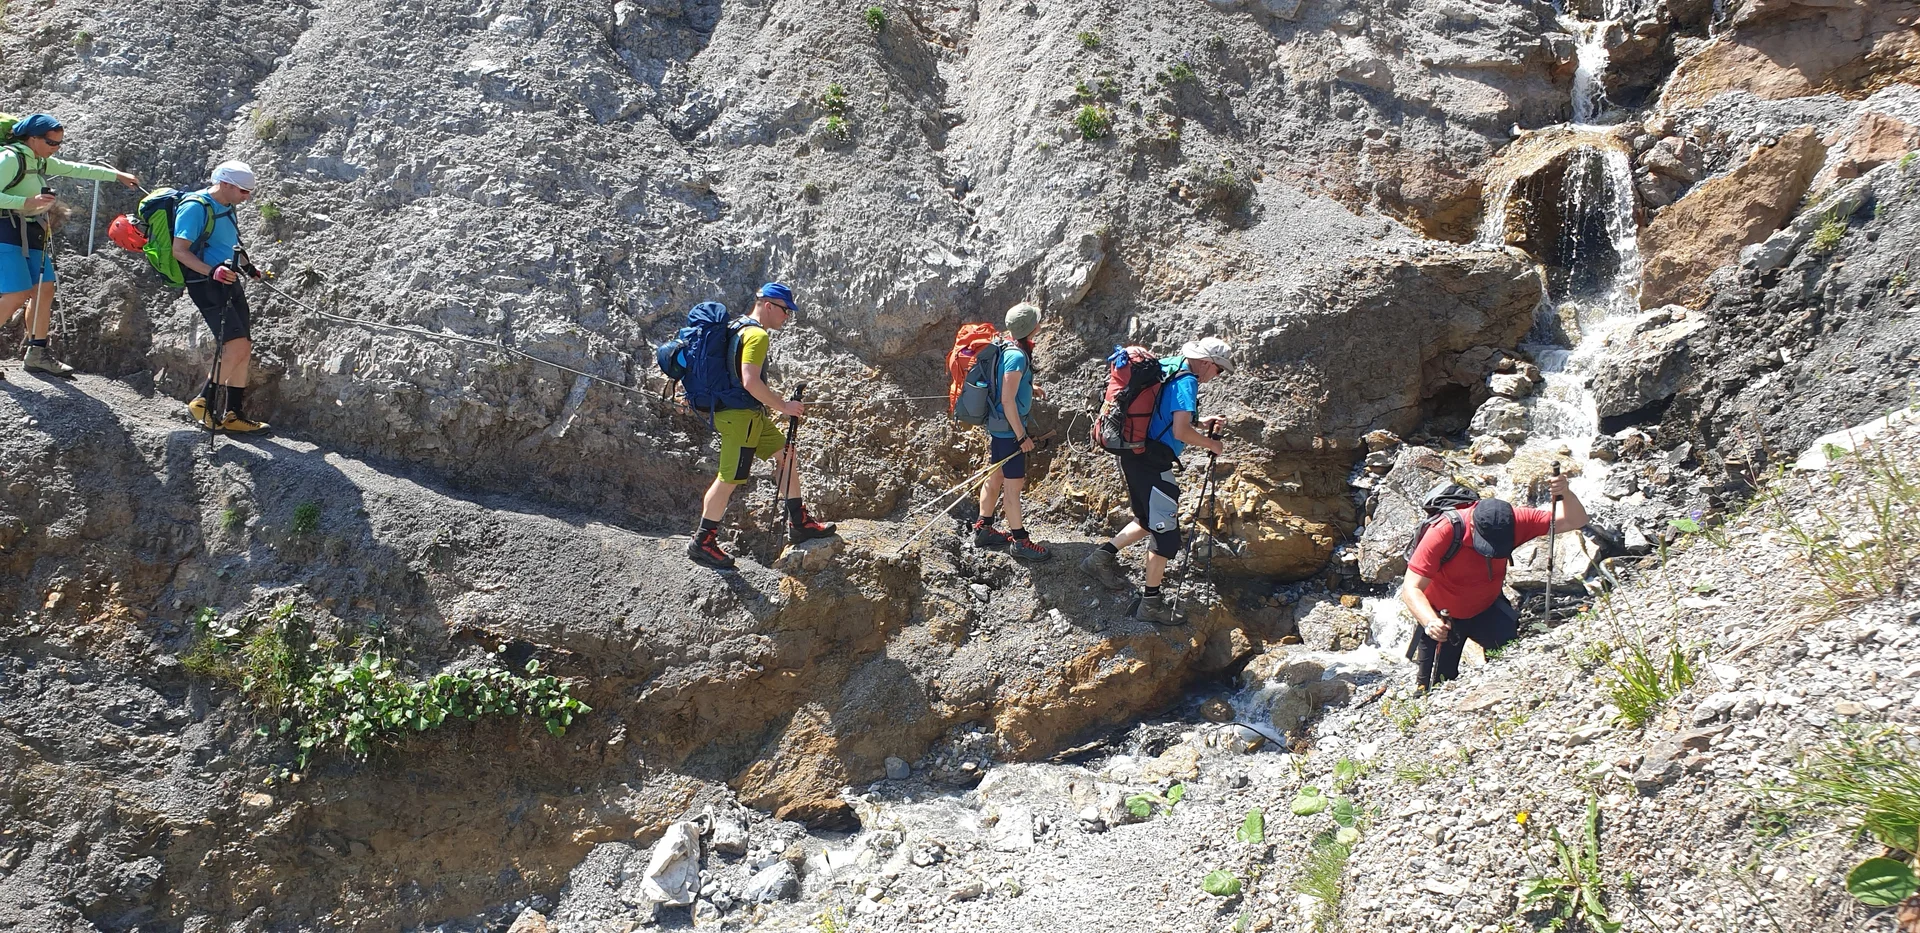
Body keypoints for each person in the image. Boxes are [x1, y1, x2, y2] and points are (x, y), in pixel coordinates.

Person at [1079, 336, 1233, 623]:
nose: (1217, 376)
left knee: (1147, 519)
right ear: (1207, 363)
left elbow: (1160, 412)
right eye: (1219, 370)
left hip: (1134, 452)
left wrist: (1200, 421)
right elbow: (1180, 433)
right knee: (1165, 535)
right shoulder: (1188, 381)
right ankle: (1150, 605)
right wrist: (1212, 444)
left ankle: (1099, 558)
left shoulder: (1169, 365)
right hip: (1152, 462)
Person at [687, 283, 837, 569]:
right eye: (785, 310)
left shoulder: (737, 327)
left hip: (746, 415)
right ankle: (702, 541)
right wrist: (785, 406)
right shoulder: (756, 335)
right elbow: (750, 381)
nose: (787, 317)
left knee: (786, 455)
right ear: (768, 305)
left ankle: (799, 522)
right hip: (741, 418)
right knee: (729, 477)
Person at [1398, 477, 1588, 688]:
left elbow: (1575, 520)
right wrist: (1429, 622)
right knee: (1433, 687)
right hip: (1443, 619)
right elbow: (1411, 588)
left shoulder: (1516, 519)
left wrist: (1566, 494)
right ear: (1473, 524)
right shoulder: (1443, 531)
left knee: (1512, 665)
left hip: (1487, 609)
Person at [0, 113, 140, 377]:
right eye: (52, 143)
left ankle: (37, 353)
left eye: (59, 143)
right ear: (32, 138)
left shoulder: (38, 160)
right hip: (5, 230)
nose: (56, 149)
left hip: (31, 230)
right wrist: (26, 203)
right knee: (17, 294)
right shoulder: (10, 158)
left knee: (44, 289)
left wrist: (116, 175)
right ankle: (37, 354)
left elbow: (76, 168)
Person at [175, 161, 266, 432]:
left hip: (228, 280)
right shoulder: (195, 207)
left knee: (244, 347)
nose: (246, 197)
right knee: (235, 346)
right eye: (243, 191)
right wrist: (212, 271)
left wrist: (248, 268)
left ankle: (233, 414)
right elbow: (179, 250)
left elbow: (232, 243)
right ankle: (203, 401)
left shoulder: (227, 205)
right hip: (207, 283)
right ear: (225, 184)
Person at [970, 303, 1051, 562]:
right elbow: (1007, 400)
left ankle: (983, 529)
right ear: (1031, 328)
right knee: (1013, 487)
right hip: (1008, 432)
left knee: (994, 478)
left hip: (998, 427)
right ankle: (1020, 542)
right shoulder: (1017, 356)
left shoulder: (1006, 345)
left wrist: (1030, 385)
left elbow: (1008, 384)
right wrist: (1022, 437)